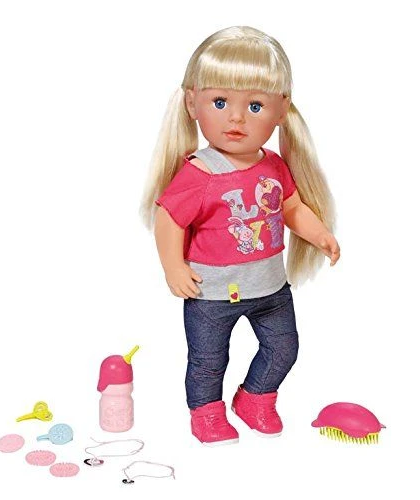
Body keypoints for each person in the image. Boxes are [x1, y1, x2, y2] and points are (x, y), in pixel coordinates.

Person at [140, 26, 340, 446]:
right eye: (220, 102)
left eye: (254, 105)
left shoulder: (274, 165)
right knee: (209, 361)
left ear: (281, 109)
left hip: (270, 288)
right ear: (192, 103)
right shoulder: (200, 173)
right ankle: (207, 413)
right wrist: (173, 267)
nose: (236, 118)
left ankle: (255, 398)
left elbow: (290, 208)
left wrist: (319, 233)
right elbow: (169, 219)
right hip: (211, 293)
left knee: (283, 348)